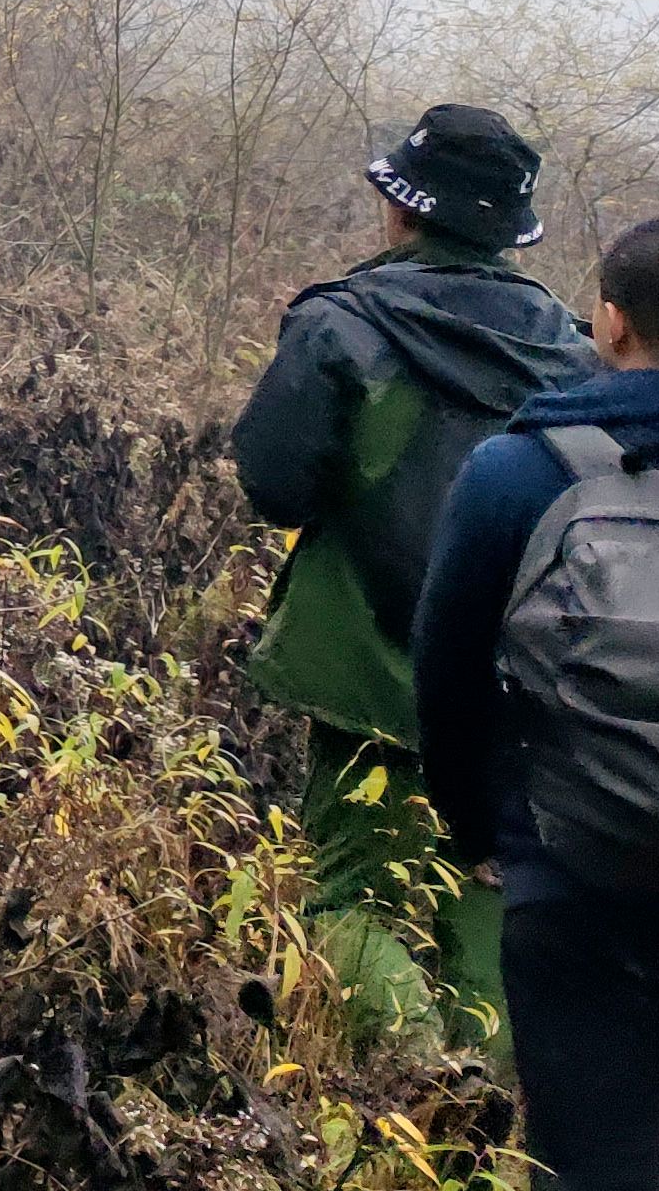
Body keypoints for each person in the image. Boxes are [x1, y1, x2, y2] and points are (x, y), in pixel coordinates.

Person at [229, 103, 592, 1036]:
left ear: (403, 210)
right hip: (522, 679)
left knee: (348, 900)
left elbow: (275, 486)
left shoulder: (341, 327)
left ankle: (421, 1085)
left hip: (367, 668)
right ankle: (481, 1145)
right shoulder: (578, 356)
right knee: (489, 905)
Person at [420, 210, 659, 1191]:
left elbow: (444, 671)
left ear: (611, 319)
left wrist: (474, 829)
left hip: (571, 880)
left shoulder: (517, 471)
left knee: (594, 1189)